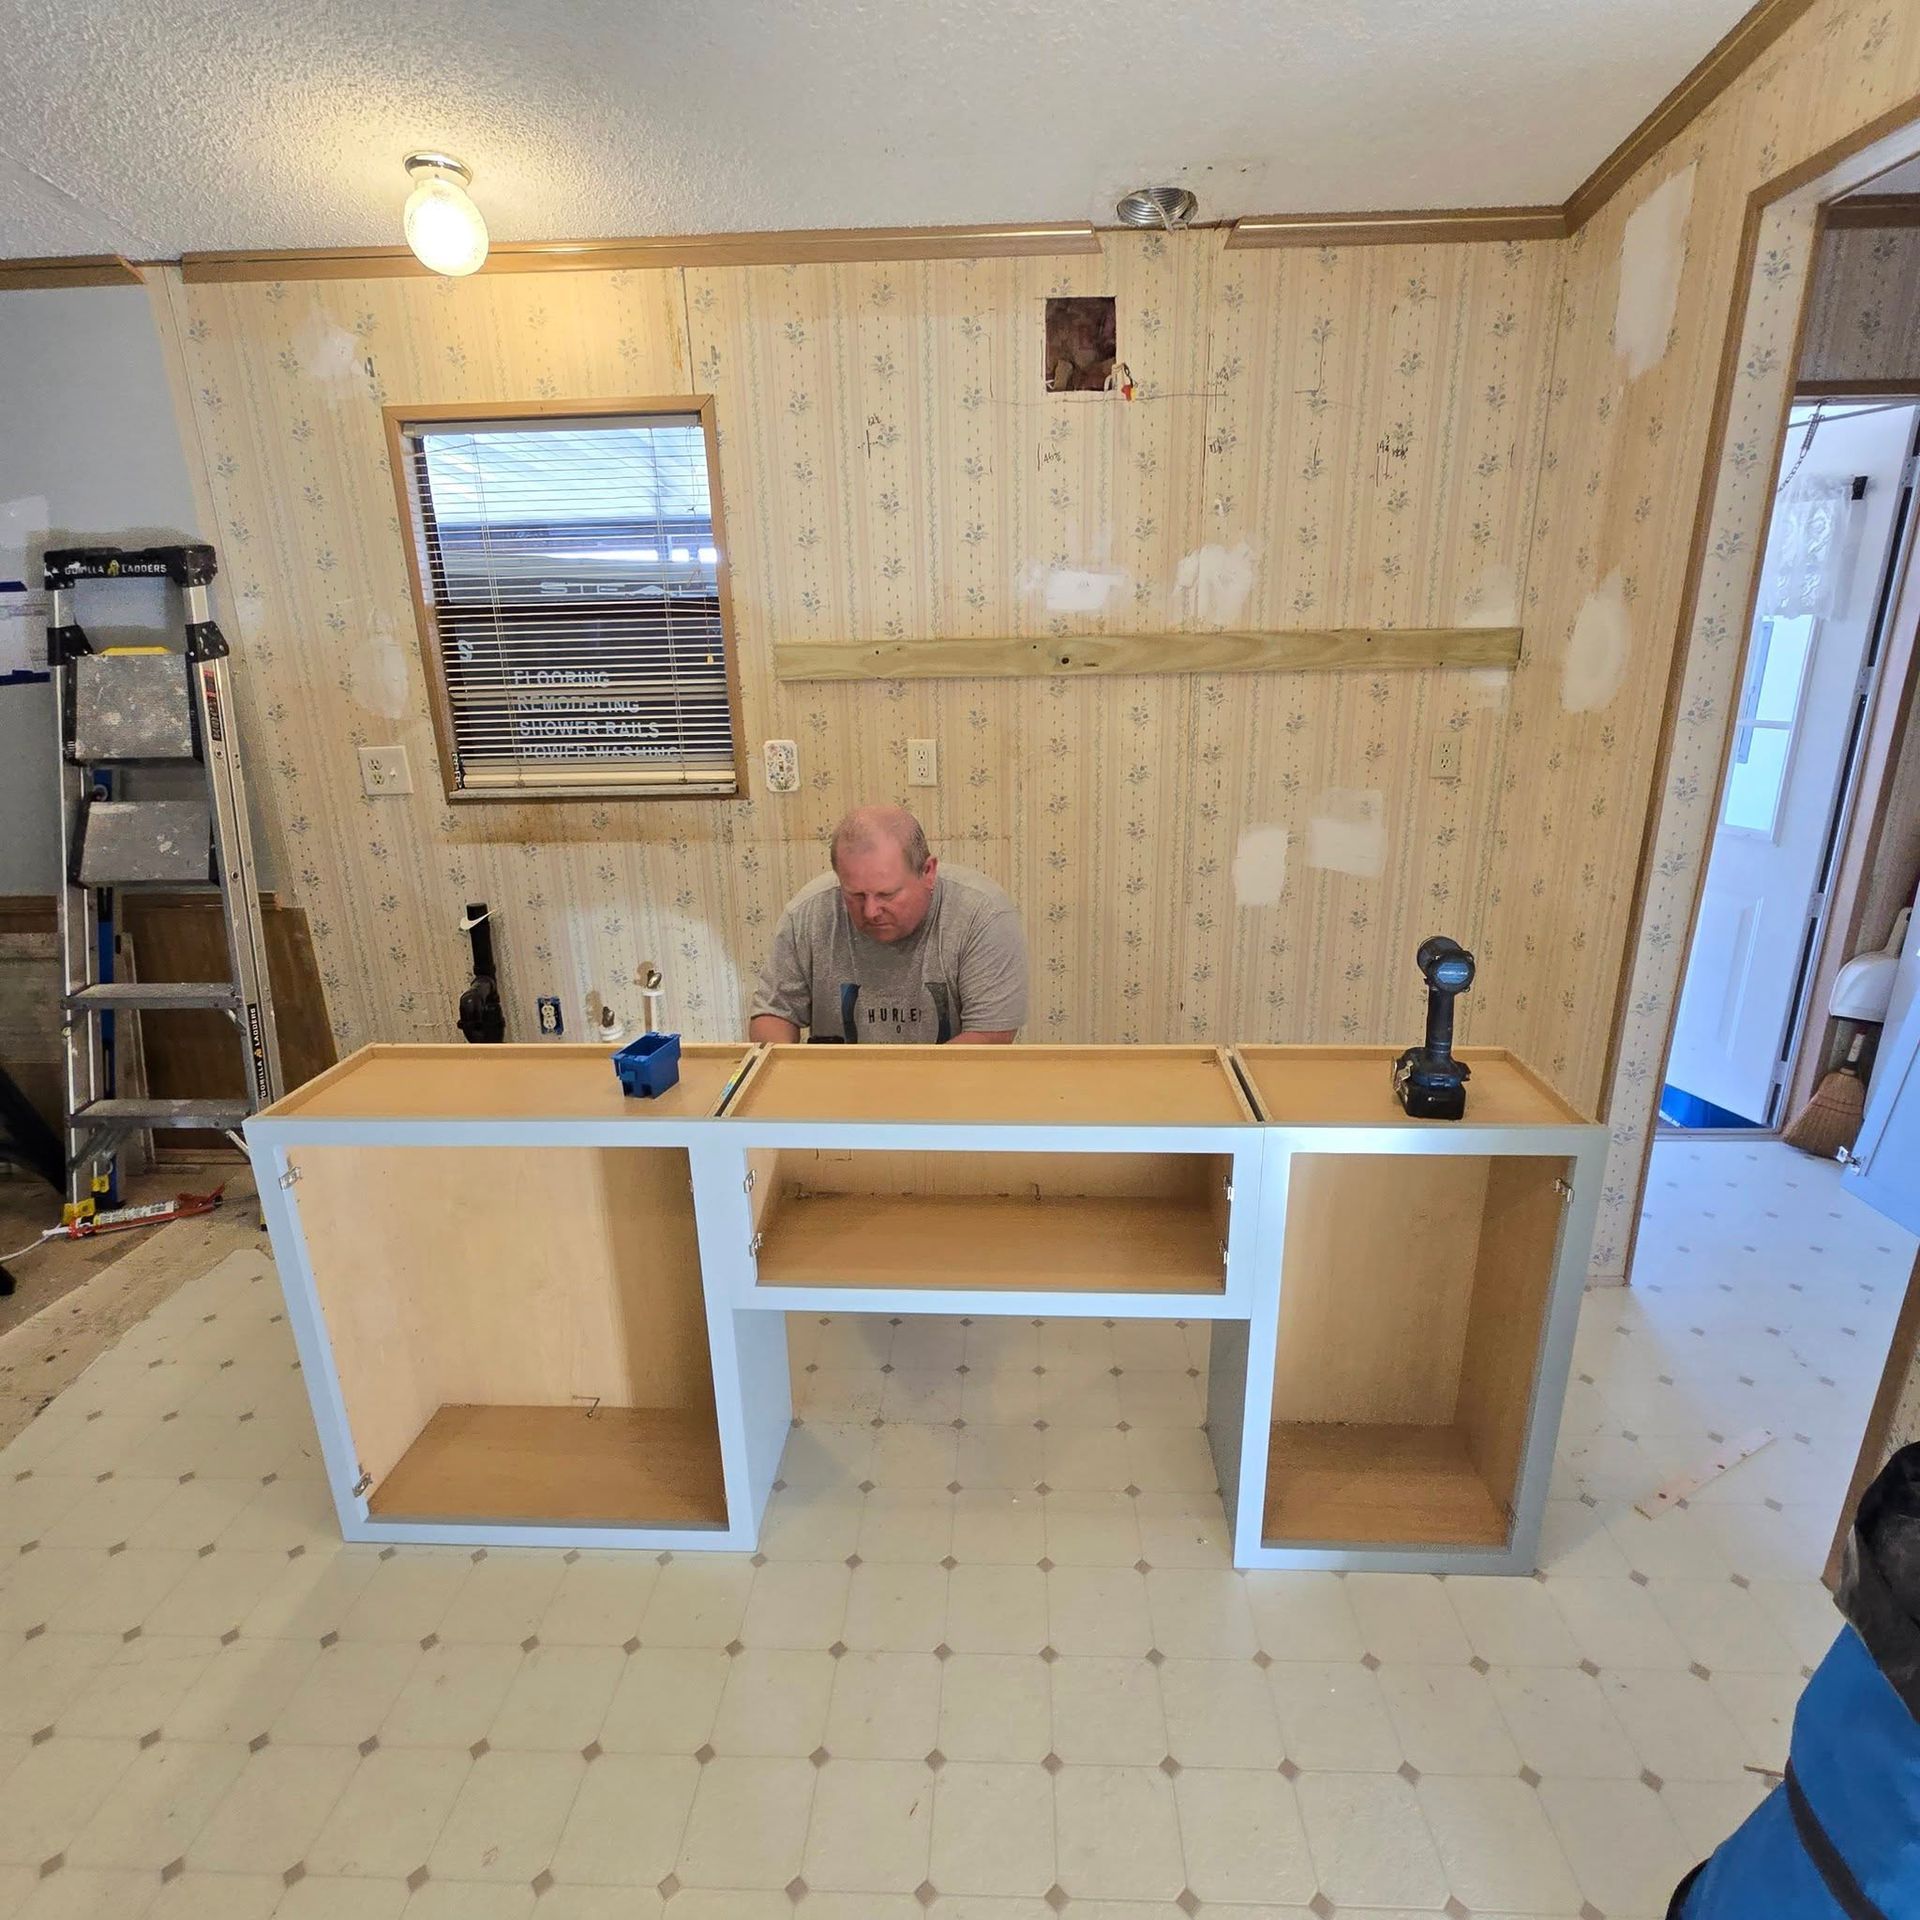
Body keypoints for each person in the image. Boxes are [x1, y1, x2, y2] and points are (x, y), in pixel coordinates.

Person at [749, 805, 1027, 1045]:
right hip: (837, 1093)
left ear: (928, 872)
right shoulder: (807, 913)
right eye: (855, 895)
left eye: (887, 894)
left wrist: (900, 1091)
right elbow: (773, 1016)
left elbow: (990, 1037)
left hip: (951, 1091)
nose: (870, 911)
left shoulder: (983, 915)